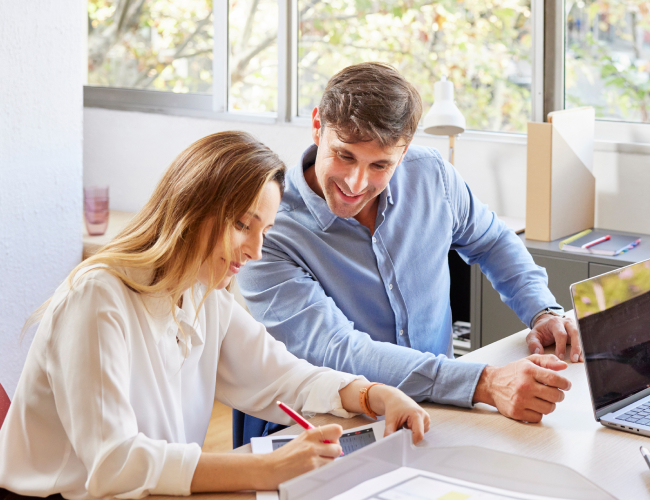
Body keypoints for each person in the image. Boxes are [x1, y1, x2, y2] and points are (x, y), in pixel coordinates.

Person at [0, 132, 430, 499]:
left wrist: (373, 394)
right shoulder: (97, 297)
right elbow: (114, 463)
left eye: (265, 231)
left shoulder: (206, 295)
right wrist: (268, 468)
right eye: (243, 225)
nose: (256, 251)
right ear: (192, 208)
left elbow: (285, 378)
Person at [234, 62, 577, 443]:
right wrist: (484, 382)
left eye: (380, 165)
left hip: (443, 408)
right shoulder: (269, 229)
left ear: (404, 149)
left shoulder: (431, 175)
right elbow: (337, 350)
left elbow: (492, 241)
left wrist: (541, 310)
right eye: (344, 156)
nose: (356, 183)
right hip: (336, 421)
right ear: (317, 126)